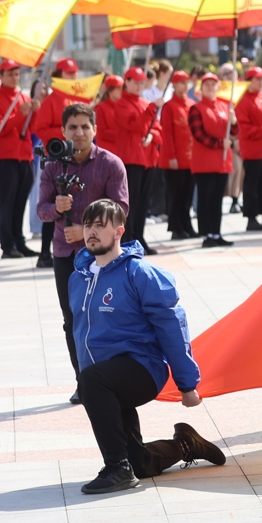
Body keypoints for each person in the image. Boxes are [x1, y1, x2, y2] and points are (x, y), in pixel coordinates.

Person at [68, 198, 226, 494]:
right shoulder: (79, 278)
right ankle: (185, 444)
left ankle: (117, 468)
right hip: (106, 380)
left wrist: (187, 383)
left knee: (91, 380)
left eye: (100, 225)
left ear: (119, 231)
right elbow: (80, 334)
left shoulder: (139, 273)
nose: (92, 231)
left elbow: (172, 328)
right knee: (139, 462)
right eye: (88, 225)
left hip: (143, 369)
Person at [36, 103, 130, 405]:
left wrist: (84, 229)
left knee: (107, 317)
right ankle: (84, 382)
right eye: (72, 127)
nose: (78, 133)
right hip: (65, 256)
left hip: (104, 258)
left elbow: (121, 210)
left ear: (95, 129)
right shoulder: (52, 165)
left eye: (84, 127)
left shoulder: (111, 164)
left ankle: (113, 379)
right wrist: (56, 208)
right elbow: (41, 210)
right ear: (63, 131)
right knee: (73, 320)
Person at [30, 58, 84, 268]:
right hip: (57, 160)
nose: (74, 77)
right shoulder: (52, 100)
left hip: (77, 158)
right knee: (54, 205)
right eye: (70, 73)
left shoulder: (78, 98)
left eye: (75, 73)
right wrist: (67, 133)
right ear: (59, 76)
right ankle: (44, 253)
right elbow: (40, 130)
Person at [0, 59, 39, 260]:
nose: (14, 78)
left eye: (16, 74)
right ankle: (8, 244)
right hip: (6, 157)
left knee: (20, 201)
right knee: (6, 203)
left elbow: (32, 129)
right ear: (2, 76)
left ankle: (19, 241)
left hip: (25, 156)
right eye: (10, 74)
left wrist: (34, 112)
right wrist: (20, 116)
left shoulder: (23, 96)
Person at [187, 73, 234, 248]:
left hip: (222, 162)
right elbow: (199, 135)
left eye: (213, 84)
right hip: (204, 162)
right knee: (205, 200)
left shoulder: (224, 106)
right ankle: (207, 234)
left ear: (218, 86)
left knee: (217, 200)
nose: (210, 87)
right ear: (201, 87)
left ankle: (216, 232)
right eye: (206, 84)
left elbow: (233, 132)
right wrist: (221, 143)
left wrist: (234, 122)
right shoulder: (196, 108)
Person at [114, 67, 158, 252]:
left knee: (143, 201)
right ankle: (129, 237)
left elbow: (156, 127)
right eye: (136, 82)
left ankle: (139, 236)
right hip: (131, 157)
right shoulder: (122, 103)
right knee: (131, 201)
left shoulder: (143, 101)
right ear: (127, 82)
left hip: (146, 157)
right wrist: (152, 109)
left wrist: (152, 136)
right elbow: (133, 125)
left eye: (142, 82)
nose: (140, 85)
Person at [235, 66, 262, 233]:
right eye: (258, 79)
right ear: (249, 81)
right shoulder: (243, 101)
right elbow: (244, 127)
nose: (261, 82)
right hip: (254, 149)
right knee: (252, 184)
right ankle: (251, 217)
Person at [159, 70, 196, 241]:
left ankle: (186, 224)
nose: (185, 85)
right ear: (174, 84)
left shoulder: (191, 104)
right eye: (181, 82)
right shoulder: (169, 107)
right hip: (175, 158)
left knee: (187, 194)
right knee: (175, 194)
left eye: (187, 82)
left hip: (190, 158)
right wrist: (172, 156)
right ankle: (176, 227)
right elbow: (167, 133)